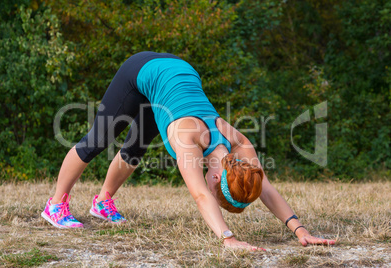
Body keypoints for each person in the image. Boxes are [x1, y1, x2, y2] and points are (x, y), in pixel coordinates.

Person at [42, 51, 336, 250]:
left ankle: (102, 202)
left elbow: (265, 188)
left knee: (136, 147)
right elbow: (199, 195)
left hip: (179, 74)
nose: (210, 192)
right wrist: (227, 238)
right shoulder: (187, 140)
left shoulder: (239, 145)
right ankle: (55, 206)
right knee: (97, 140)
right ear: (215, 182)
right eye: (216, 196)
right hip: (143, 70)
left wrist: (300, 231)